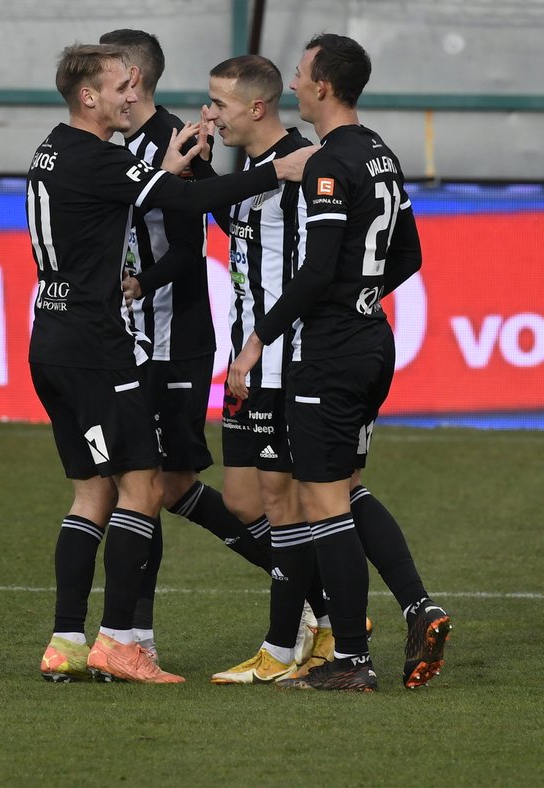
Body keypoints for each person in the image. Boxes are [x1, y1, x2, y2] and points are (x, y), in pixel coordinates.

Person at [28, 42, 314, 684]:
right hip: (100, 344)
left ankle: (67, 642)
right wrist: (279, 171)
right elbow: (181, 206)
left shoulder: (52, 147)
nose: (131, 95)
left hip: (50, 334)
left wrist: (166, 167)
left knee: (91, 494)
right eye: (117, 87)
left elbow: (146, 199)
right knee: (145, 486)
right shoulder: (99, 157)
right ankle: (120, 643)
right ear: (88, 97)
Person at [226, 33, 452, 691]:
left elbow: (317, 269)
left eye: (299, 75)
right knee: (347, 486)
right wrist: (364, 296)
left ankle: (351, 659)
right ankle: (418, 604)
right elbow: (407, 254)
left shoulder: (328, 163)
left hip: (328, 352)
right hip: (371, 342)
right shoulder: (379, 153)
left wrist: (260, 337)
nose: (293, 85)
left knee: (325, 505)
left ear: (323, 87)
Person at [95, 29, 272, 668]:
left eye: (104, 74)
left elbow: (191, 241)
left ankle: (308, 584)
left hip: (174, 338)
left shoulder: (173, 141)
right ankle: (133, 639)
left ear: (132, 78)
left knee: (158, 485)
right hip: (138, 338)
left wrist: (140, 282)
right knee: (151, 486)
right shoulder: (123, 145)